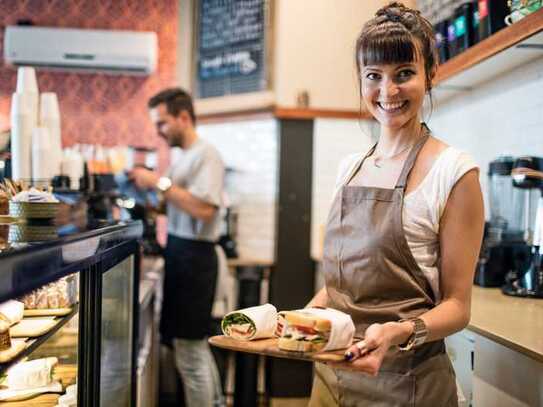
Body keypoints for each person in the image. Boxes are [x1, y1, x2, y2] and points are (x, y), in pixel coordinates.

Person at [306, 3, 484, 406]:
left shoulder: (454, 172)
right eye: (374, 76)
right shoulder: (350, 168)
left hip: (405, 383)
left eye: (404, 74)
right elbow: (343, 287)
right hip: (331, 374)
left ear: (431, 75)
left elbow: (458, 307)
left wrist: (399, 332)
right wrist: (300, 319)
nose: (387, 92)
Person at [130, 88, 225, 407]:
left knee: (190, 352)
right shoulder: (185, 158)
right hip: (181, 254)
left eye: (162, 123)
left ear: (184, 117)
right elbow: (170, 205)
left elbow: (205, 208)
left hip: (195, 260)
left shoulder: (206, 153)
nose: (158, 131)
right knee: (194, 348)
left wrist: (158, 182)